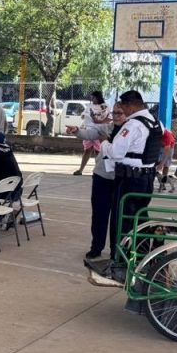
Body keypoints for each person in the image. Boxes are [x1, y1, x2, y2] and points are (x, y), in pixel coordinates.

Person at [99, 90, 162, 279]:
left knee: (122, 221)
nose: (123, 111)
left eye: (124, 107)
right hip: (146, 179)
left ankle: (120, 262)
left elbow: (116, 152)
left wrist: (104, 144)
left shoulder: (133, 124)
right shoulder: (155, 122)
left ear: (131, 105)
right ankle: (141, 258)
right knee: (139, 220)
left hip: (129, 180)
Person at [67, 103, 126, 263]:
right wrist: (77, 131)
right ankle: (96, 247)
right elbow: (90, 133)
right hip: (102, 176)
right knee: (99, 214)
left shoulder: (131, 131)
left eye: (120, 113)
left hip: (121, 178)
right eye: (114, 113)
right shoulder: (107, 128)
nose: (116, 116)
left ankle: (116, 250)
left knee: (118, 217)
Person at [74, 91, 110, 176]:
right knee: (87, 150)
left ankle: (97, 171)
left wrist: (99, 121)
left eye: (93, 97)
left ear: (98, 97)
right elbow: (84, 115)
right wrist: (85, 116)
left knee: (98, 152)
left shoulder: (106, 106)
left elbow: (108, 118)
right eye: (91, 98)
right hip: (88, 130)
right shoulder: (90, 106)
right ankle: (80, 169)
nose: (92, 99)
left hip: (99, 131)